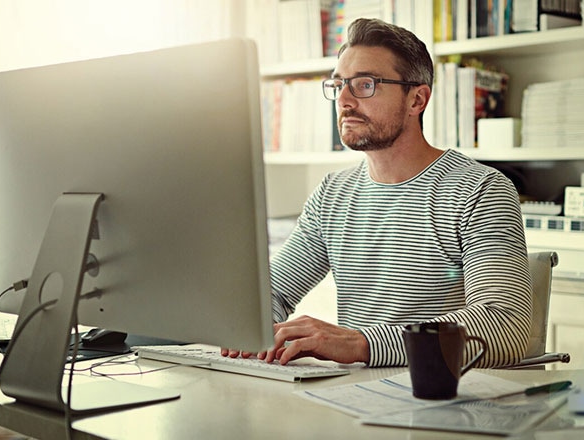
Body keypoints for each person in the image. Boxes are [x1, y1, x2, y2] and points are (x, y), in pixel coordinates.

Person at [222, 18, 531, 368]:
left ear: (417, 99)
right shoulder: (331, 194)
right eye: (338, 85)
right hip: (353, 399)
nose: (344, 100)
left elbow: (507, 325)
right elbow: (272, 293)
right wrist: (253, 328)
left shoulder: (480, 191)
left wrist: (363, 344)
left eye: (364, 84)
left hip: (442, 401)